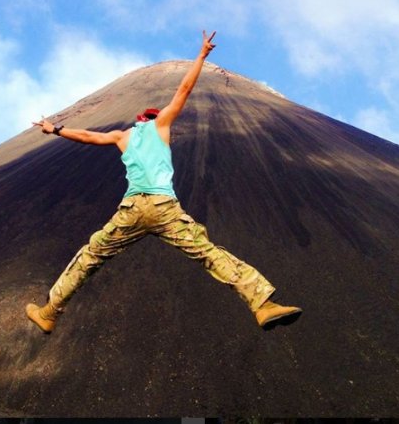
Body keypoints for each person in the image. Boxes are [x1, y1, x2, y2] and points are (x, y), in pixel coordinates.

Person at [26, 31, 301, 333]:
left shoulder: (123, 136)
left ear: (138, 118)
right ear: (155, 118)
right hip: (165, 208)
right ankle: (261, 305)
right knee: (208, 253)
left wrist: (55, 129)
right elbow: (183, 90)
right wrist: (202, 56)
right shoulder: (162, 125)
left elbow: (89, 137)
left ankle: (50, 312)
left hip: (132, 209)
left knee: (90, 256)